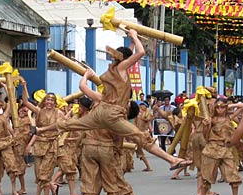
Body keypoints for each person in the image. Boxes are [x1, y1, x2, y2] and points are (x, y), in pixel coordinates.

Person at [36, 29, 190, 171]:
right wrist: (135, 35)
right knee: (142, 138)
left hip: (100, 112)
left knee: (68, 124)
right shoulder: (122, 70)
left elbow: (83, 87)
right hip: (112, 116)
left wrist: (87, 76)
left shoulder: (109, 74)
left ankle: (40, 130)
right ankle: (171, 160)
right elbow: (141, 51)